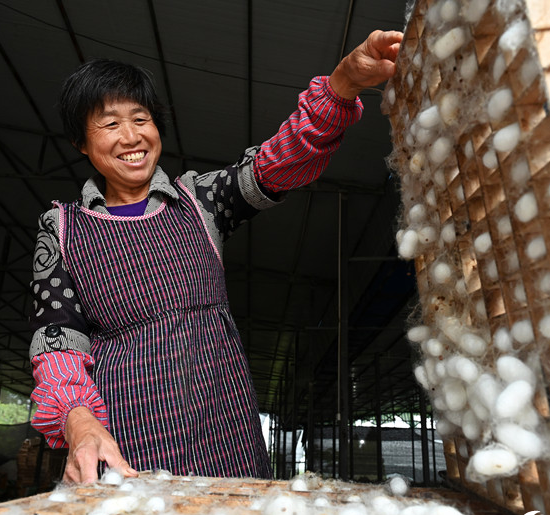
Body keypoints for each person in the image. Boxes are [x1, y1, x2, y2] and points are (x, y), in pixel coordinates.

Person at [29, 30, 404, 484]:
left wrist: (343, 84)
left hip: (226, 429)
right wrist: (80, 422)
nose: (131, 136)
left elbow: (276, 164)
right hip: (127, 439)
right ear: (81, 144)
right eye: (109, 125)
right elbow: (59, 341)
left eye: (141, 118)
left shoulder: (199, 200)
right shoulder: (64, 227)